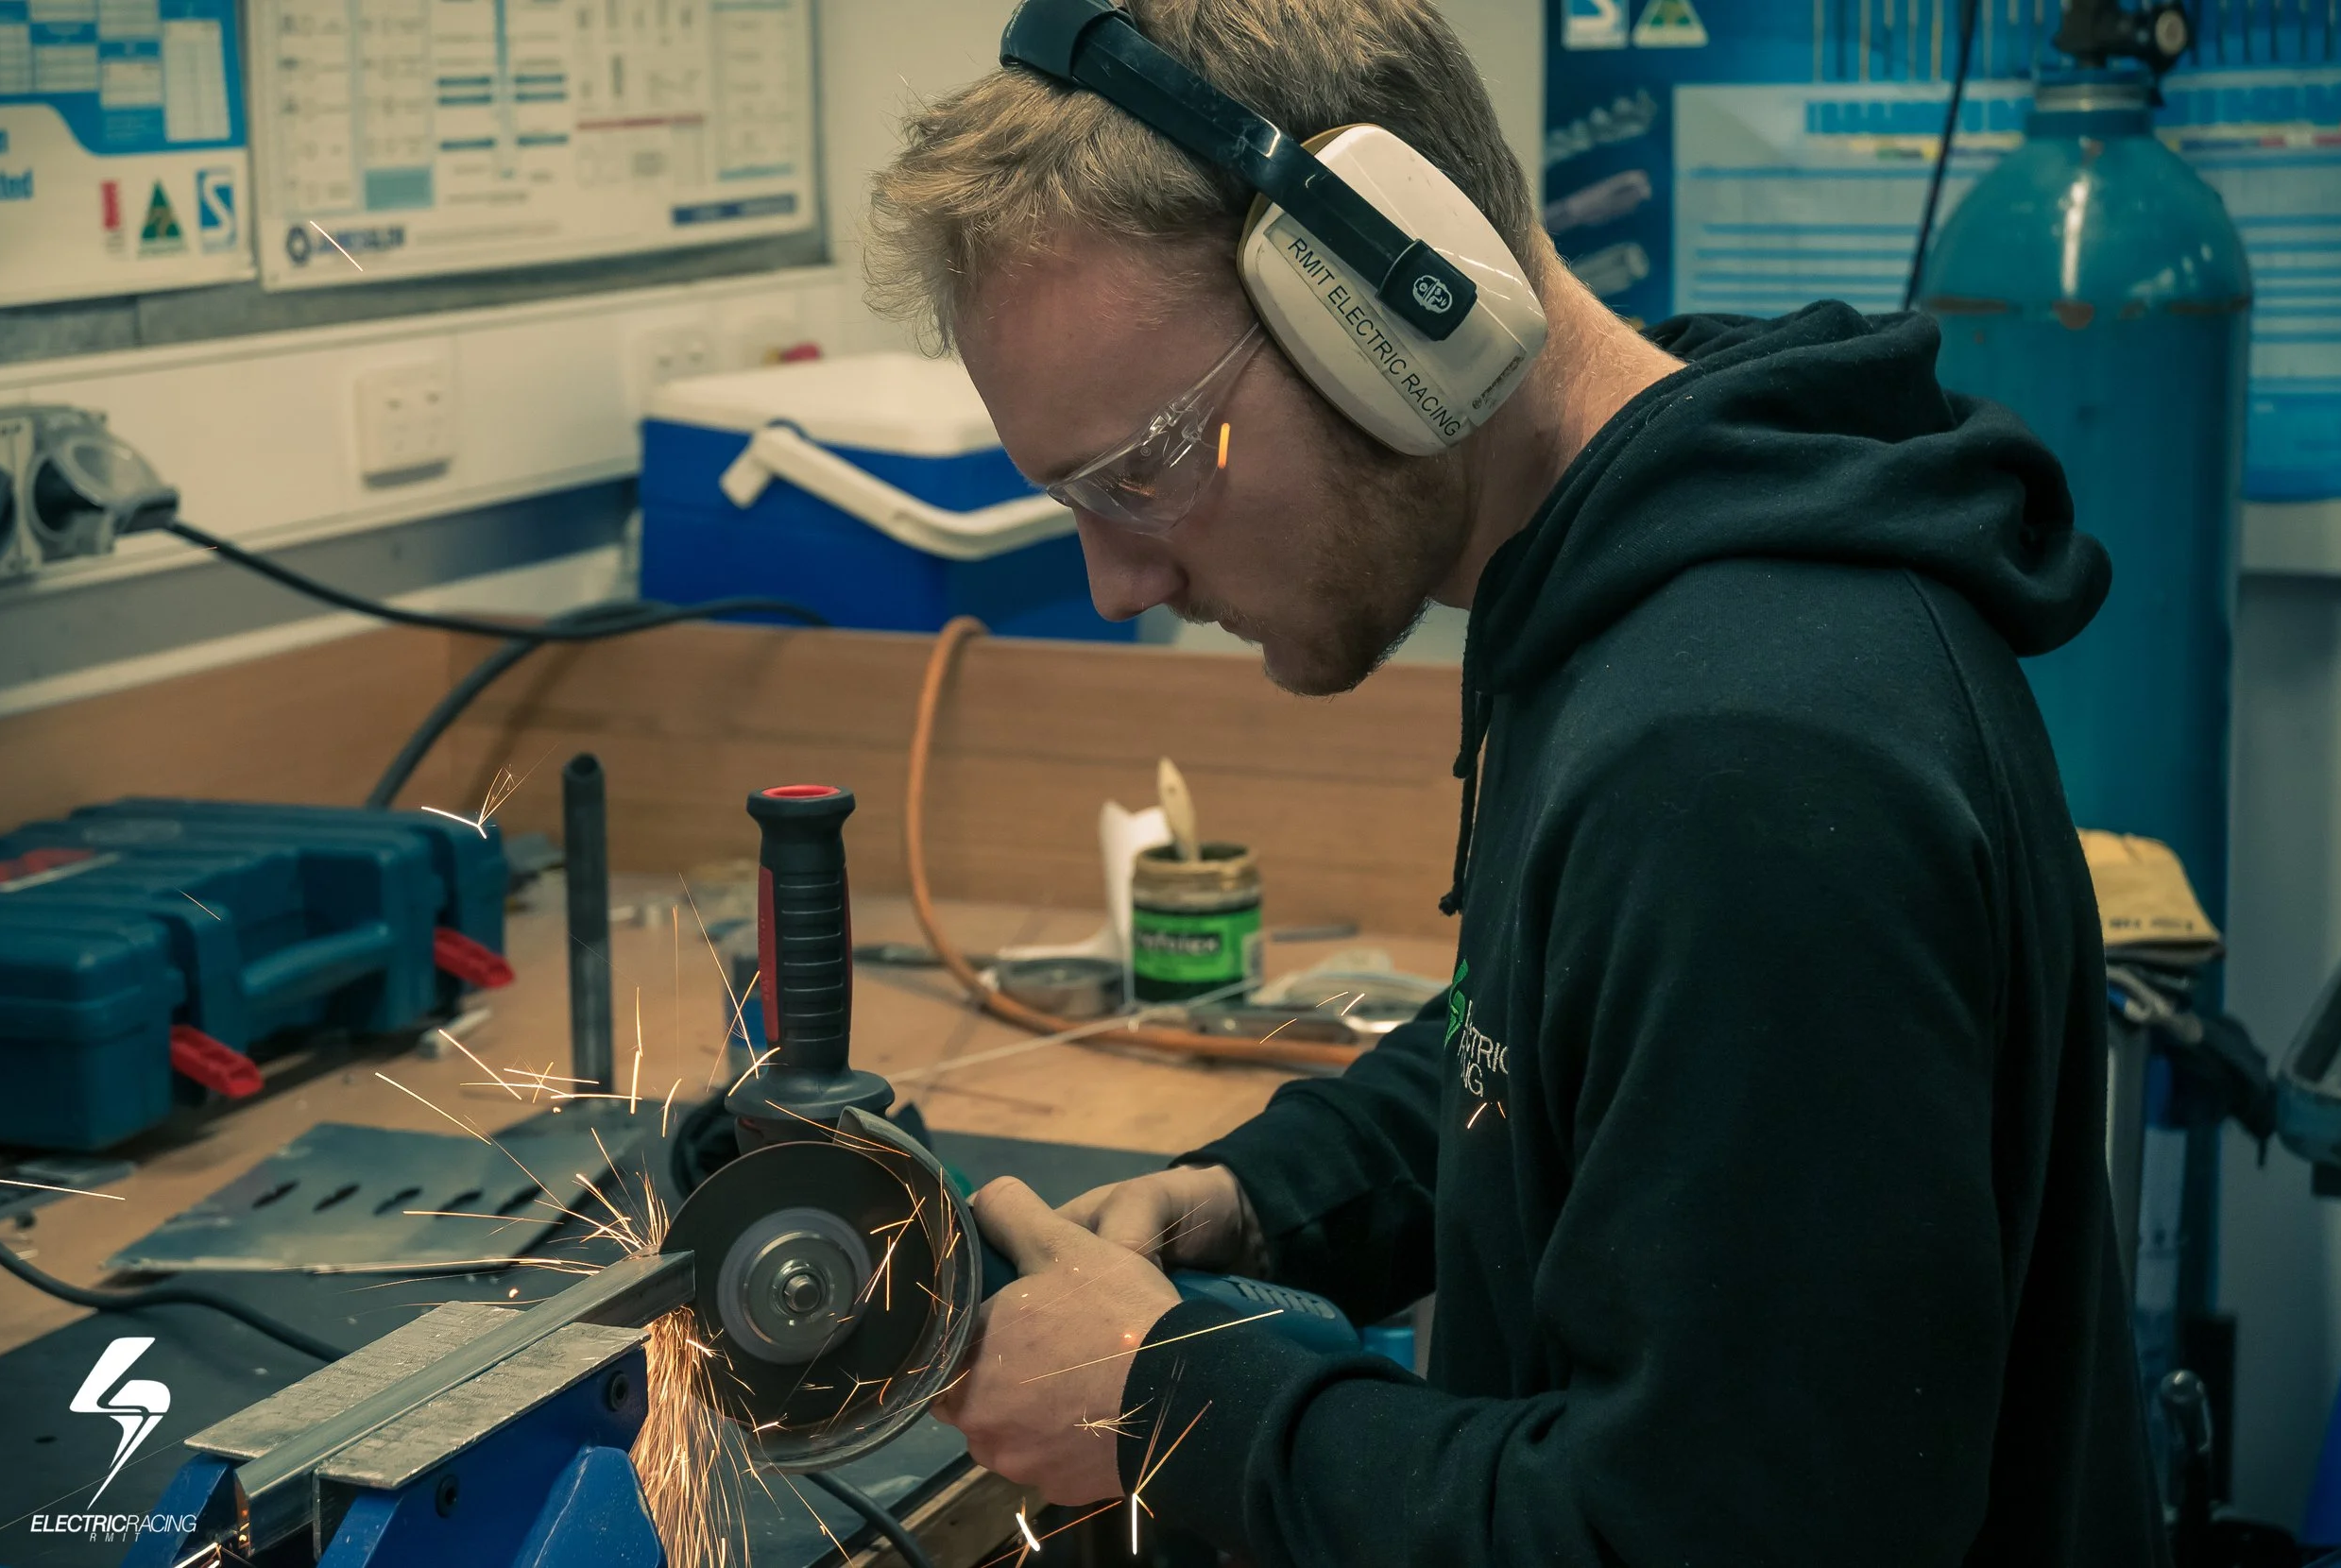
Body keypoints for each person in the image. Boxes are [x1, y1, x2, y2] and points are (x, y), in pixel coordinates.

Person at [866, 1, 2166, 1562]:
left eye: (1143, 464)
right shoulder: (1640, 593)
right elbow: (1560, 1044)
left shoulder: (1745, 761)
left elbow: (1713, 1538)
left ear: (1388, 304)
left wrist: (1172, 1407)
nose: (1114, 580)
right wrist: (1264, 1197)